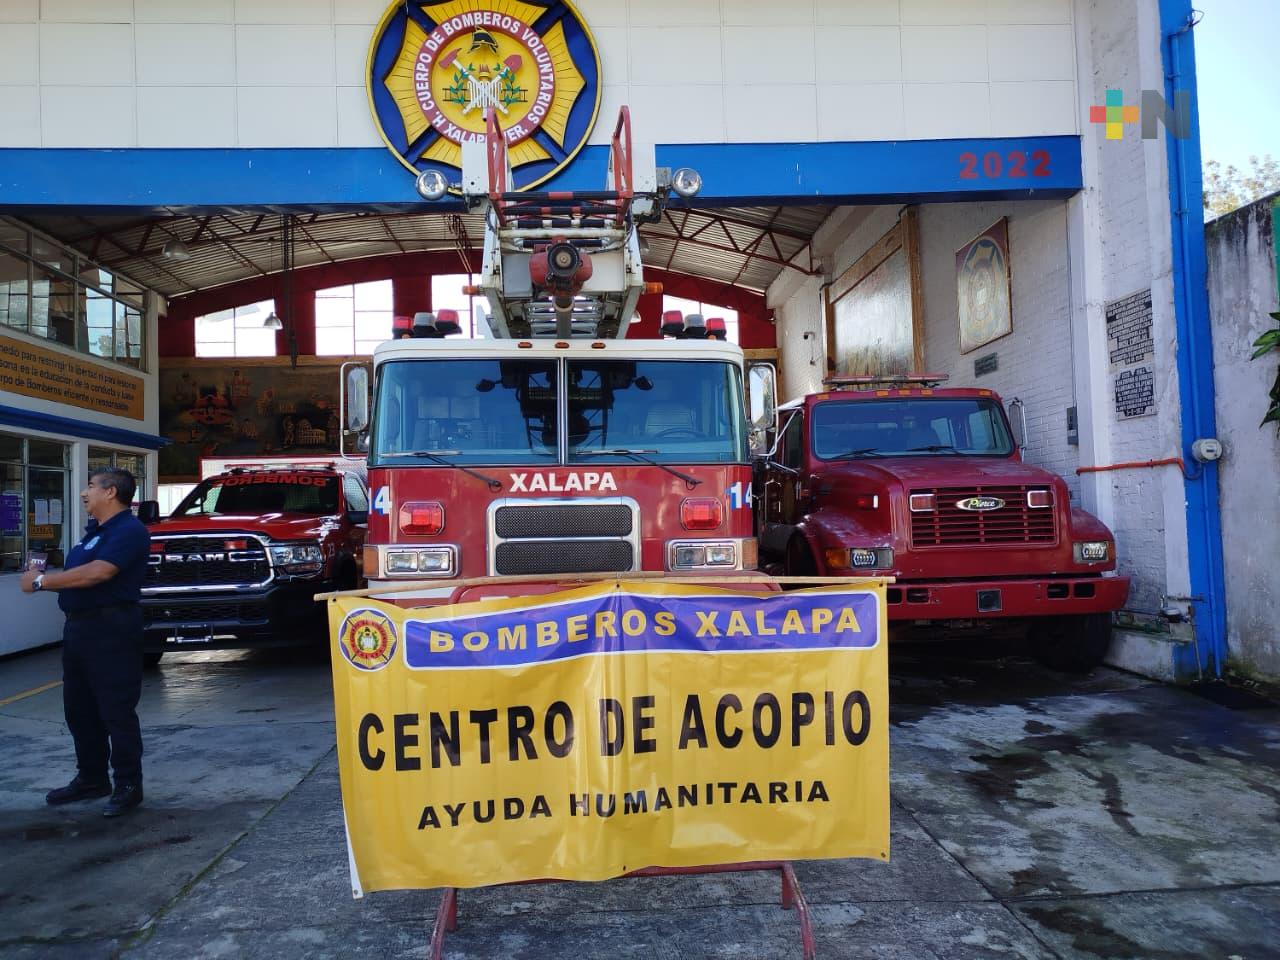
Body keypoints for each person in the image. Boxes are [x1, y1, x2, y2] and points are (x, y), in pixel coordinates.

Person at [20, 467, 151, 818]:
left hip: (112, 628)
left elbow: (99, 572)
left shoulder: (128, 530)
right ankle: (92, 778)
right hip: (80, 629)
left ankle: (128, 784)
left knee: (115, 709)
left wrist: (41, 582)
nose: (83, 493)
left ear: (111, 492)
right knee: (79, 710)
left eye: (91, 486)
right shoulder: (93, 534)